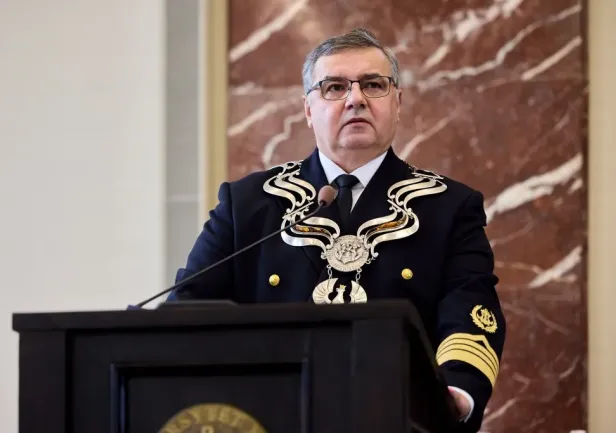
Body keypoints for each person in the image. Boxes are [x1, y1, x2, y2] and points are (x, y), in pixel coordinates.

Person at [168, 28, 506, 432]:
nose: (355, 99)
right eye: (334, 87)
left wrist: (456, 390)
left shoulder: (449, 206)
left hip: (398, 417)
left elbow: (470, 306)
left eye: (374, 85)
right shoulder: (247, 204)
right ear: (308, 110)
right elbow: (188, 309)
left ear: (398, 103)